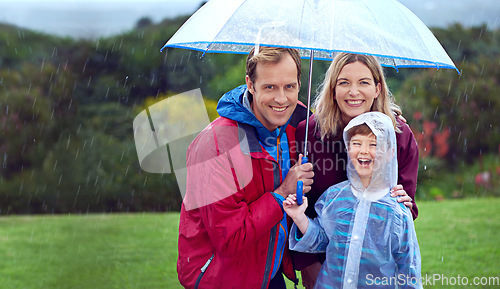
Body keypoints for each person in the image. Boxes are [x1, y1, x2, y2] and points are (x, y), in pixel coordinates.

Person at [177, 46, 314, 289]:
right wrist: (282, 193)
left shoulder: (297, 128)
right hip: (223, 279)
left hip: (269, 275)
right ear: (250, 84)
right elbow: (229, 238)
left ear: (299, 84)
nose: (282, 99)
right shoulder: (215, 146)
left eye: (289, 86)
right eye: (270, 87)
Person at [294, 53, 420, 288]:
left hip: (376, 272)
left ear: (377, 88)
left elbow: (404, 211)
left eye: (364, 82)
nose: (354, 92)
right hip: (324, 267)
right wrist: (307, 265)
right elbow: (302, 205)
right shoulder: (308, 133)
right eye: (344, 83)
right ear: (332, 89)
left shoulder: (398, 136)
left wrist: (405, 204)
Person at [284, 112, 422, 289]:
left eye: (374, 144)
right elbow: (321, 242)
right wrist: (299, 217)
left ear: (390, 153)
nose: (364, 150)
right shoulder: (333, 197)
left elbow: (408, 271)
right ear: (348, 148)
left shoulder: (397, 211)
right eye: (356, 143)